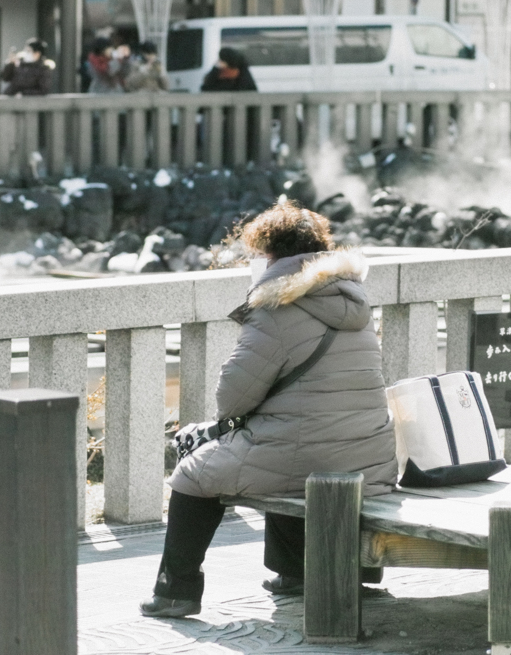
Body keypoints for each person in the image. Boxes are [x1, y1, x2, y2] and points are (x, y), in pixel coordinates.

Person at [139, 202, 397, 618]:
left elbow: (232, 400)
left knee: (193, 474)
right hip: (370, 457)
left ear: (271, 256)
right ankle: (295, 573)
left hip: (302, 453)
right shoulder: (354, 302)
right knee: (283, 440)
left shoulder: (276, 308)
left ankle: (176, 591)